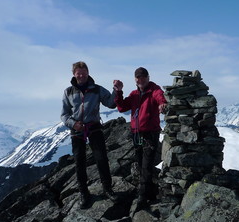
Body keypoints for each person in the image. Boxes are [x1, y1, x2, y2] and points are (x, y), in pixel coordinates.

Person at [61, 61, 122, 209]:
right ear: (74, 74)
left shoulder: (96, 89)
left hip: (94, 128)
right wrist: (73, 124)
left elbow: (111, 103)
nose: (81, 75)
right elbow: (64, 115)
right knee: (79, 162)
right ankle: (84, 193)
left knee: (101, 159)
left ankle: (107, 189)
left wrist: (117, 90)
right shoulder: (68, 92)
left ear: (88, 73)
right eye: (78, 73)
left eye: (83, 73)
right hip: (77, 130)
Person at [113, 67, 167, 211]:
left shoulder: (154, 90)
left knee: (146, 164)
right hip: (136, 133)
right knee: (140, 162)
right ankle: (149, 193)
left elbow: (159, 96)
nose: (140, 80)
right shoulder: (134, 94)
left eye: (143, 77)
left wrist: (162, 103)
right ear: (135, 79)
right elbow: (122, 107)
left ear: (148, 77)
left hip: (150, 134)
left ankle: (142, 198)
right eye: (138, 77)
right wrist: (118, 91)